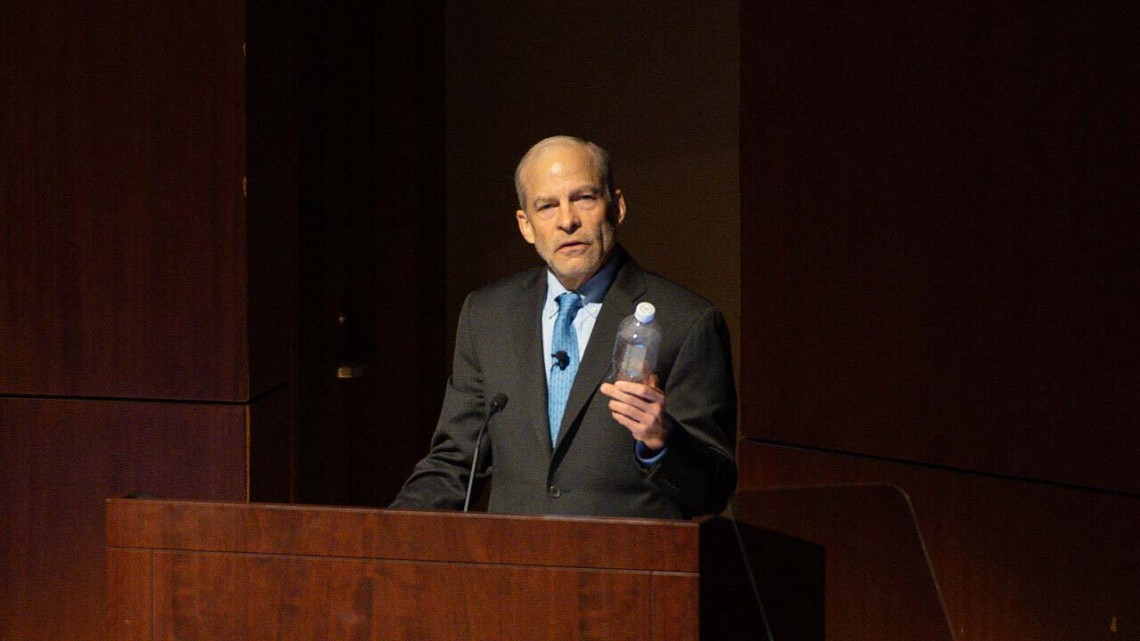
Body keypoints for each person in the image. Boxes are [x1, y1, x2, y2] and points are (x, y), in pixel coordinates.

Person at [390, 135, 736, 519]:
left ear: (616, 207)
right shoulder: (487, 316)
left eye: (584, 198)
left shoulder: (686, 322)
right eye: (547, 206)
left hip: (627, 570)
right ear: (526, 225)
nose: (567, 220)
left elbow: (714, 490)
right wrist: (380, 542)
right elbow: (455, 462)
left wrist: (660, 441)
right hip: (514, 566)